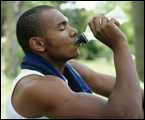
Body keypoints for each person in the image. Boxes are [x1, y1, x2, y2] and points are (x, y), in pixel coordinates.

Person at [7, 5, 144, 119]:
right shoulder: (36, 87)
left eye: (69, 25)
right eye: (62, 28)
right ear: (38, 44)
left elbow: (137, 95)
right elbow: (128, 115)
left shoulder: (71, 69)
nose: (74, 31)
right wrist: (120, 46)